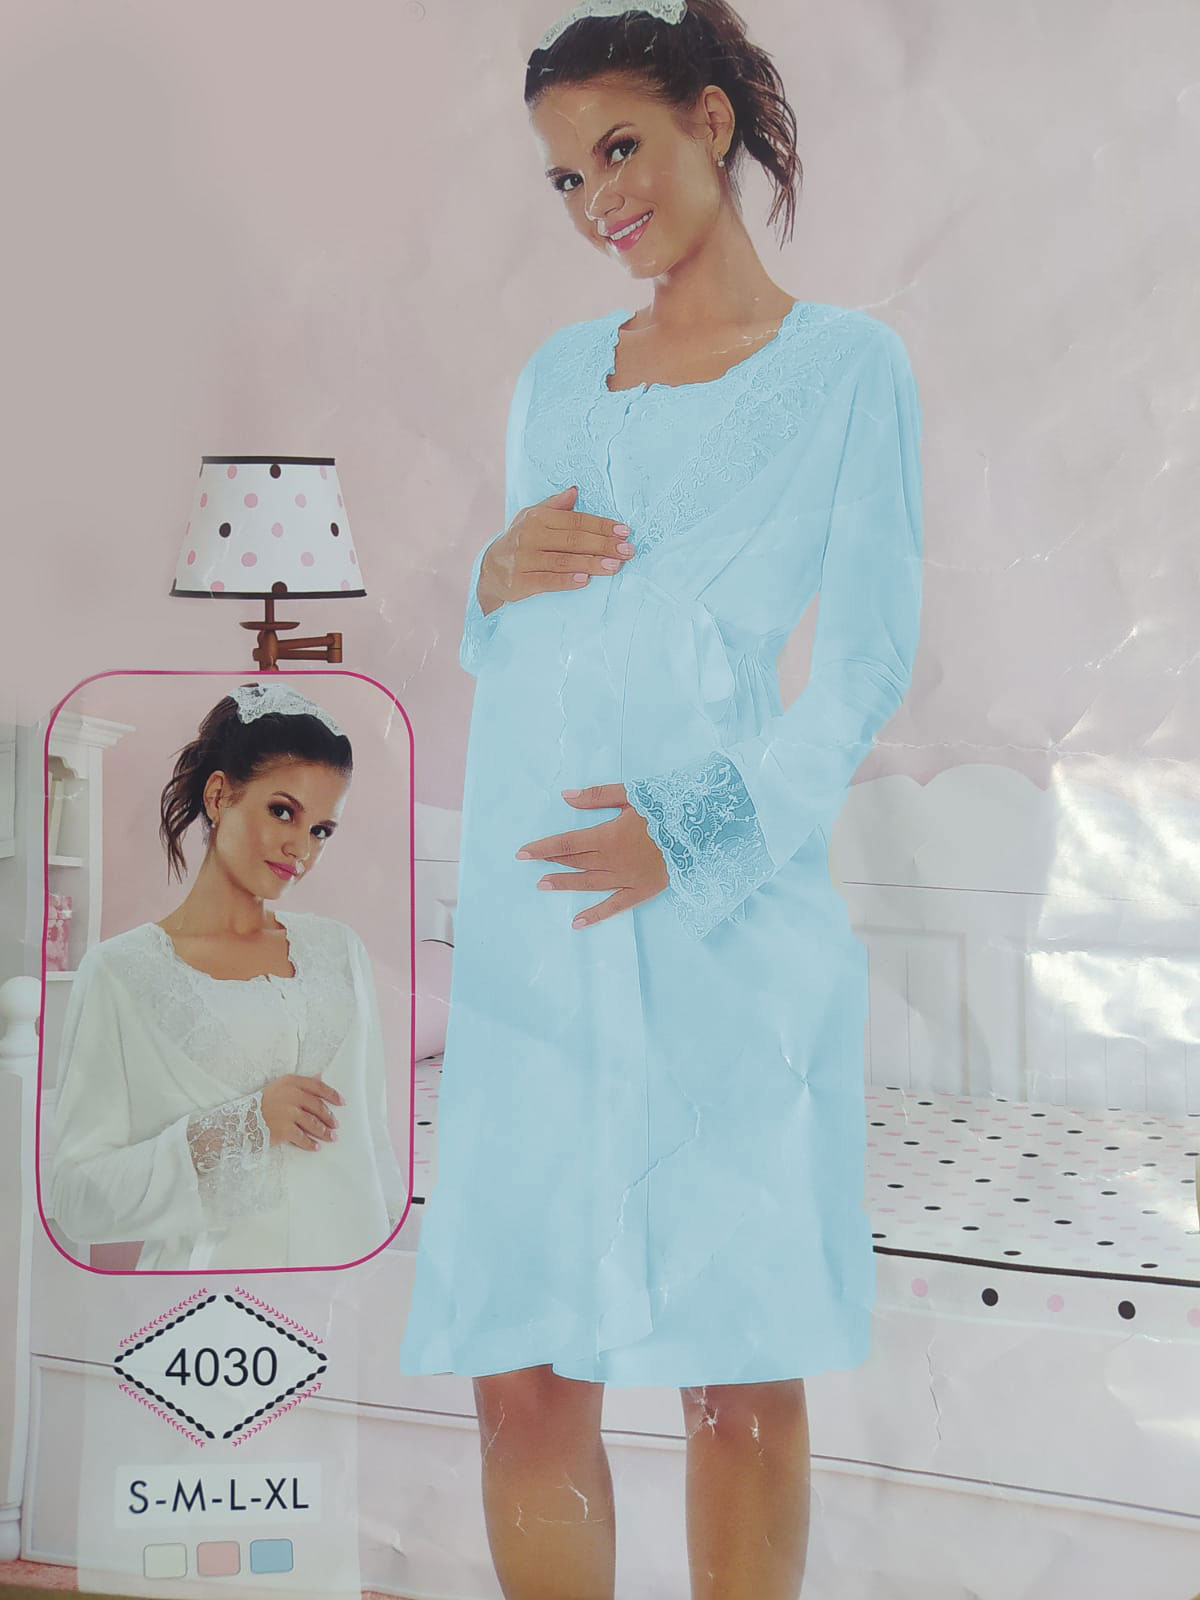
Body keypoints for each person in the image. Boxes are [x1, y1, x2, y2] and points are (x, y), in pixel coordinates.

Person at [398, 2, 924, 1594]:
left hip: (717, 922)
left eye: (619, 149)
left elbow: (862, 668)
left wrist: (685, 837)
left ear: (711, 122)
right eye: (566, 177)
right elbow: (528, 631)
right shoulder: (558, 376)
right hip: (536, 928)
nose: (597, 201)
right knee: (521, 1372)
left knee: (734, 1376)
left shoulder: (848, 368)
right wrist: (488, 580)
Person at [44, 680, 408, 1272]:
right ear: (219, 795)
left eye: (321, 830)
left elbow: (373, 1147)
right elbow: (76, 1196)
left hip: (344, 1289)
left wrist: (388, 1271)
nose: (301, 848)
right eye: (283, 811)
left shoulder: (339, 951)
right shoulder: (122, 972)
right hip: (211, 1298)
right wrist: (245, 1126)